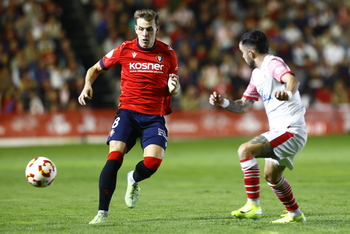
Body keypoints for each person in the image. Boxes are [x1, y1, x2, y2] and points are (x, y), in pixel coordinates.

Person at [78, 9, 180, 225]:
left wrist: (174, 88)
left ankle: (133, 178)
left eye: (149, 29)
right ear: (136, 29)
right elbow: (94, 69)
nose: (145, 34)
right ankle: (102, 213)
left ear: (157, 29)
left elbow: (173, 87)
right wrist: (87, 85)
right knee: (114, 157)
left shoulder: (168, 54)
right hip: (127, 113)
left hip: (153, 117)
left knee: (152, 163)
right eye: (141, 29)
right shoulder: (124, 50)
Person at [209, 30, 307, 223]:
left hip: (291, 130)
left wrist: (287, 93)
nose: (243, 56)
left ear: (251, 53)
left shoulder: (273, 64)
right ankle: (295, 214)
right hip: (281, 130)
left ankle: (253, 205)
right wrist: (224, 103)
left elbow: (292, 80)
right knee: (272, 176)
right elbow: (244, 105)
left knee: (245, 150)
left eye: (243, 53)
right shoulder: (256, 74)